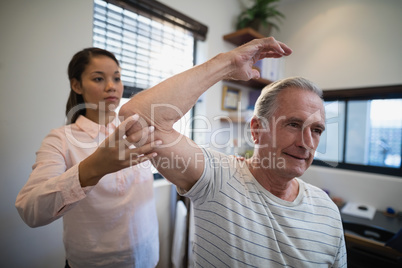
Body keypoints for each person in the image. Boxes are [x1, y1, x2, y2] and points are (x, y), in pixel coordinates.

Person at [119, 37, 347, 267]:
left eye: (316, 130)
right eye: (293, 125)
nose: (306, 142)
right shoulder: (218, 177)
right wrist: (226, 64)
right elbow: (137, 118)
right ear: (257, 130)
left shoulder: (327, 210)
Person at [15, 48, 161, 267]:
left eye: (117, 78)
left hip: (147, 255)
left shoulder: (137, 129)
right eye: (98, 78)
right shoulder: (61, 140)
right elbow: (30, 210)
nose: (112, 86)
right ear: (76, 85)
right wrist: (93, 168)